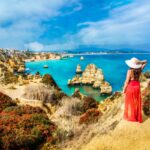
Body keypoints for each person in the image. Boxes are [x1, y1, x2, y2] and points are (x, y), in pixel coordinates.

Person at [123, 57, 147, 123]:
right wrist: (139, 62)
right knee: (136, 101)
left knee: (130, 102)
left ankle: (132, 117)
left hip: (131, 87)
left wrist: (124, 89)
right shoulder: (140, 69)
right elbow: (146, 61)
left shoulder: (129, 71)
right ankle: (136, 116)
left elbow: (127, 81)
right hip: (137, 86)